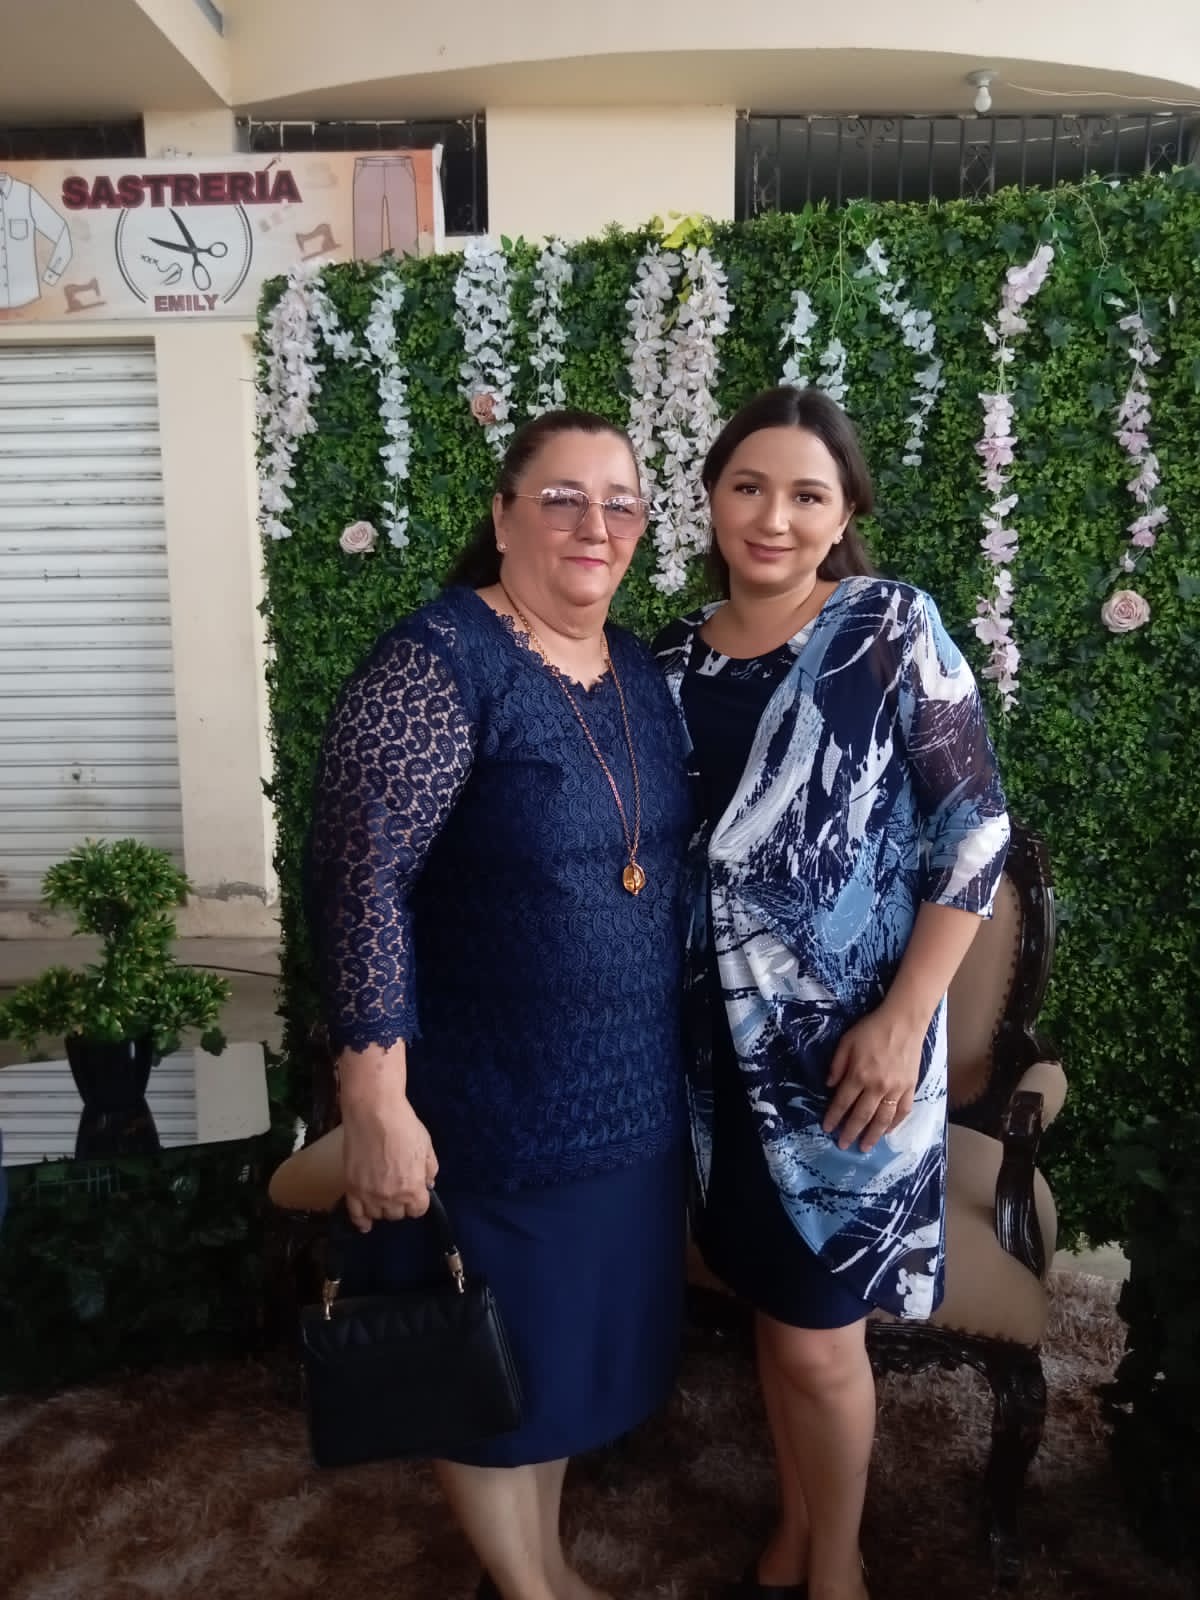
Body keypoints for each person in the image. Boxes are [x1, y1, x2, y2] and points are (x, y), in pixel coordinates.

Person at [301, 410, 690, 1600]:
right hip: (488, 1109)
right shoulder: (437, 662)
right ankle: (529, 1590)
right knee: (482, 1363)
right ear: (504, 515)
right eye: (562, 497)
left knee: (557, 1368)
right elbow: (358, 878)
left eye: (619, 502)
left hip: (623, 1102)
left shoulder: (634, 667)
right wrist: (375, 1101)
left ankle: (547, 1565)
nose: (594, 524)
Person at [653, 387, 1011, 1600]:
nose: (774, 517)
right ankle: (804, 1529)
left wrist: (906, 1019)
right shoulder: (667, 658)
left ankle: (838, 1570)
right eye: (748, 486)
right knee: (773, 1305)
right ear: (711, 497)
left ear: (845, 511)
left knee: (819, 1335)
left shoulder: (887, 627)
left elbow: (973, 831)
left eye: (807, 494)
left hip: (851, 1051)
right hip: (712, 1057)